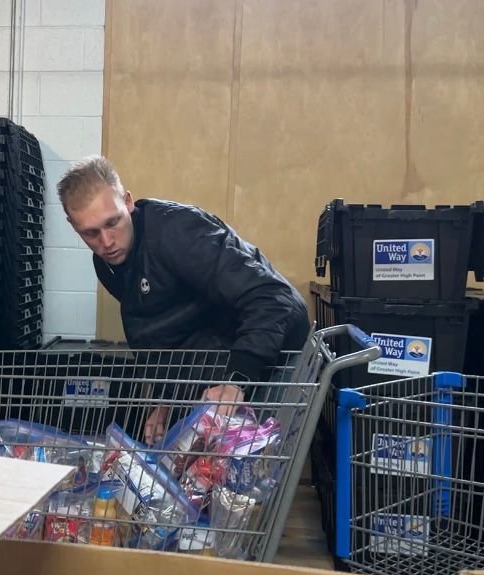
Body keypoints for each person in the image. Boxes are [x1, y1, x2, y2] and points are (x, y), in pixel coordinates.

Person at [57, 156, 310, 442]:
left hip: (273, 353)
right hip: (217, 360)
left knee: (254, 470)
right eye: (90, 233)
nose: (106, 242)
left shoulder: (178, 233)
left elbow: (271, 296)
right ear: (73, 225)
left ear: (128, 202)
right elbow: (164, 335)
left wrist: (237, 380)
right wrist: (165, 402)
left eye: (112, 222)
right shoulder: (106, 263)